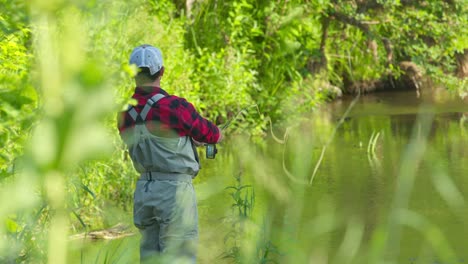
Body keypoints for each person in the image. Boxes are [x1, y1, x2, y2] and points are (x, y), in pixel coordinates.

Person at [118, 44, 222, 263]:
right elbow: (210, 134)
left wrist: (181, 139)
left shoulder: (125, 113)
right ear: (161, 71)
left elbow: (151, 140)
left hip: (144, 194)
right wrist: (218, 133)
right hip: (174, 193)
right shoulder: (174, 107)